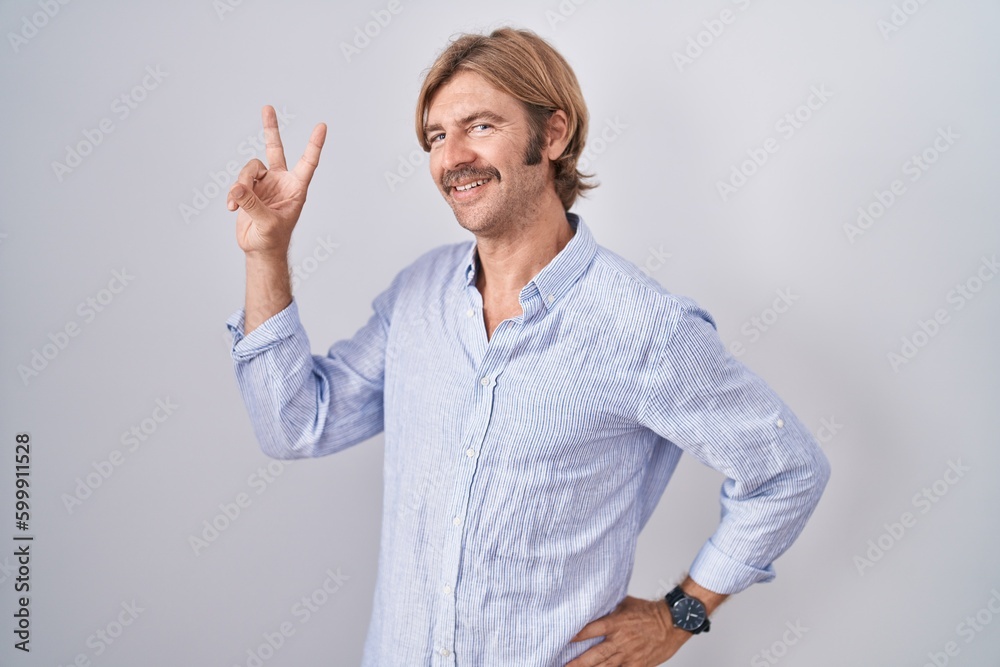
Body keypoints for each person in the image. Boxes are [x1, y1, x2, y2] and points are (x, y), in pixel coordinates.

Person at [224, 26, 830, 667]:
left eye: (479, 126)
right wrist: (267, 253)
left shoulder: (643, 327)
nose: (451, 156)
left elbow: (786, 470)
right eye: (436, 136)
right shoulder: (418, 295)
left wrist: (679, 615)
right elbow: (295, 426)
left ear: (554, 134)